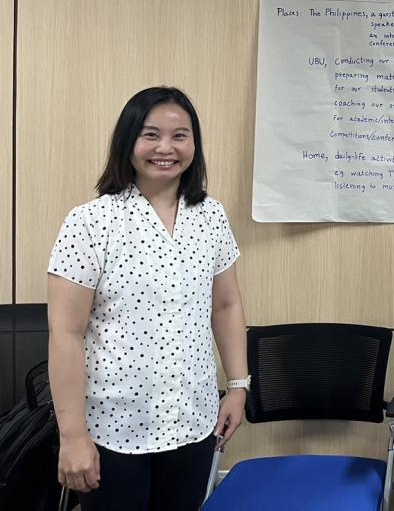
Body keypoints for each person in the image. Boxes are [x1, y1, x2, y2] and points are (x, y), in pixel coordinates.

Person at [47, 87, 249, 511]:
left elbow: (226, 306)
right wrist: (73, 436)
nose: (165, 148)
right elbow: (66, 333)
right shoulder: (91, 222)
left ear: (194, 144)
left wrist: (237, 387)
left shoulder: (211, 216)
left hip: (193, 421)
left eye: (180, 136)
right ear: (128, 141)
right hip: (113, 429)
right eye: (151, 134)